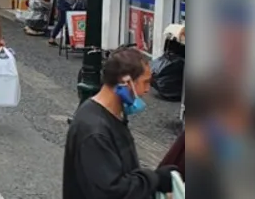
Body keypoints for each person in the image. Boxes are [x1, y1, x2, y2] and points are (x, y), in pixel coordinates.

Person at [62, 47, 179, 199]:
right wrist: (154, 179)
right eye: (144, 83)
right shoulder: (95, 131)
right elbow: (113, 191)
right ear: (126, 82)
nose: (146, 90)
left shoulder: (108, 116)